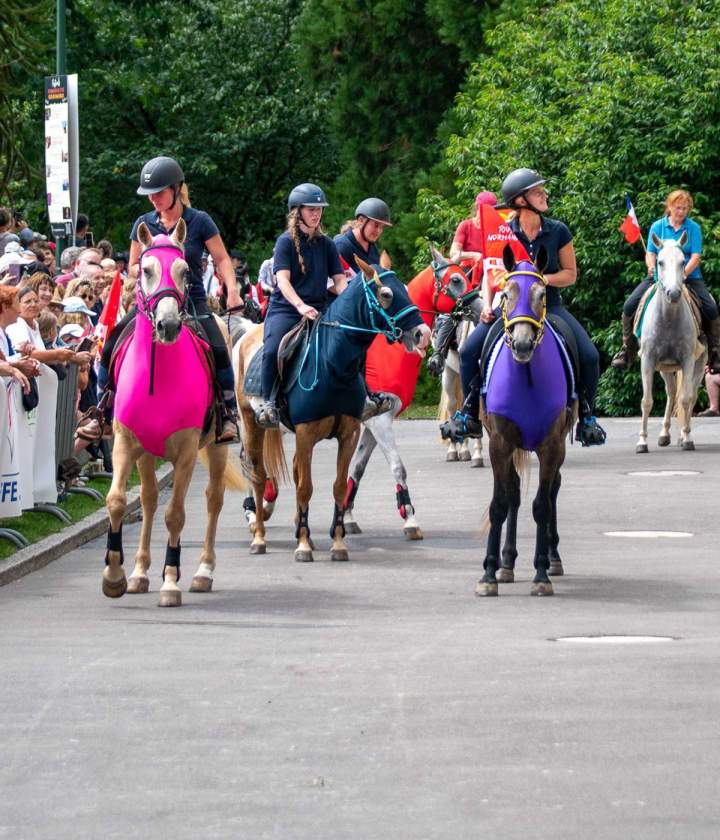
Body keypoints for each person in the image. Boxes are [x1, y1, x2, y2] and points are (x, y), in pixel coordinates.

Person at [445, 168, 606, 446]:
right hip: (510, 309)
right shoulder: (503, 232)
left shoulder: (559, 231)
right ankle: (469, 414)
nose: (545, 195)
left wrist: (541, 280)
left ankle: (587, 418)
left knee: (590, 356)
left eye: (542, 190)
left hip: (549, 306)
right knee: (469, 351)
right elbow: (492, 272)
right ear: (521, 201)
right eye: (537, 192)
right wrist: (487, 304)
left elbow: (570, 274)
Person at [99, 155, 242, 443]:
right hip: (150, 304)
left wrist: (233, 290)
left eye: (159, 192)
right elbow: (133, 266)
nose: (153, 198)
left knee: (218, 348)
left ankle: (227, 413)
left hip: (191, 301)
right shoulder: (143, 223)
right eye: (149, 194)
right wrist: (151, 267)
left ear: (176, 189)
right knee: (112, 342)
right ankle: (101, 410)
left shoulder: (199, 221)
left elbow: (222, 259)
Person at [257, 183, 347, 428]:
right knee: (273, 349)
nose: (316, 214)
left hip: (319, 310)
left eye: (319, 209)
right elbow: (282, 280)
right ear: (297, 212)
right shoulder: (285, 242)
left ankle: (362, 396)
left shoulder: (327, 244)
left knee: (349, 342)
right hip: (286, 309)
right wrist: (299, 306)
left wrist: (349, 300)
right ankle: (268, 402)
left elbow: (340, 281)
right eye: (311, 209)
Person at [611, 189, 720, 373]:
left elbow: (695, 257)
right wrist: (651, 266)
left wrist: (682, 274)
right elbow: (650, 253)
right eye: (678, 208)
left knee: (711, 308)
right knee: (629, 305)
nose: (681, 212)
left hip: (689, 277)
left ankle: (715, 353)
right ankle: (627, 350)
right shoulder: (657, 226)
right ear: (670, 207)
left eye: (685, 208)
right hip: (659, 277)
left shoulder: (693, 228)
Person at [428, 191, 498, 374]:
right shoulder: (466, 226)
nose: (486, 213)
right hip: (467, 274)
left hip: (491, 275)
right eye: (484, 209)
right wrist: (474, 255)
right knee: (455, 308)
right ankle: (438, 354)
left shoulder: (497, 229)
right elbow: (454, 254)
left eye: (491, 210)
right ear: (477, 208)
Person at [334, 197, 392, 273]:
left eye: (382, 227)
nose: (379, 231)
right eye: (376, 225)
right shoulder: (342, 246)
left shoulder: (372, 247)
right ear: (361, 220)